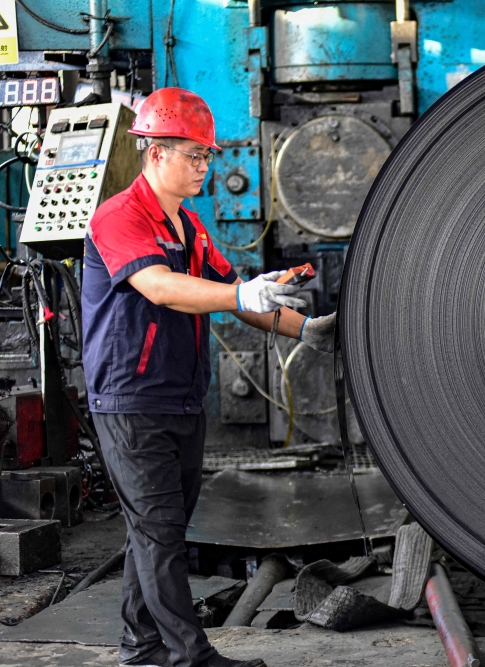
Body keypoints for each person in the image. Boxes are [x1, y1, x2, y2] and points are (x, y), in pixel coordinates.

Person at [81, 88, 337, 667]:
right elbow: (161, 287)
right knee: (160, 531)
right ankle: (188, 657)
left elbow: (236, 296)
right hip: (131, 401)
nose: (204, 166)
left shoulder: (188, 225)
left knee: (153, 532)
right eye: (193, 155)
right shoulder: (120, 217)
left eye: (206, 156)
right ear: (154, 153)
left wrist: (308, 329)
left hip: (180, 398)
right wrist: (238, 291)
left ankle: (140, 647)